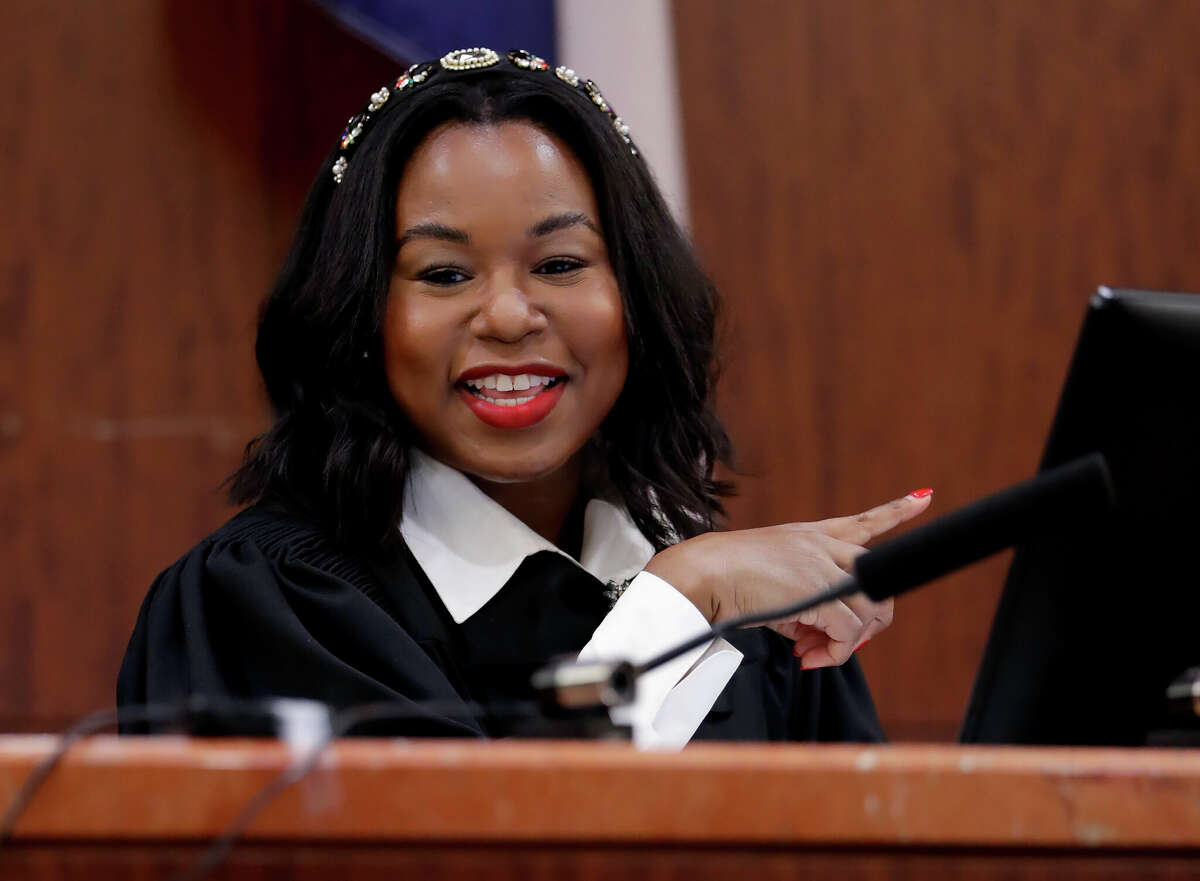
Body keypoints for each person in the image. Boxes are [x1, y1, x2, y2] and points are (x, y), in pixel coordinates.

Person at [117, 48, 931, 748]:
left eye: (560, 264)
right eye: (443, 274)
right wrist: (677, 606)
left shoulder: (755, 624)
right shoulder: (271, 602)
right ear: (361, 314)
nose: (508, 315)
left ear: (637, 300)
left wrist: (692, 595)